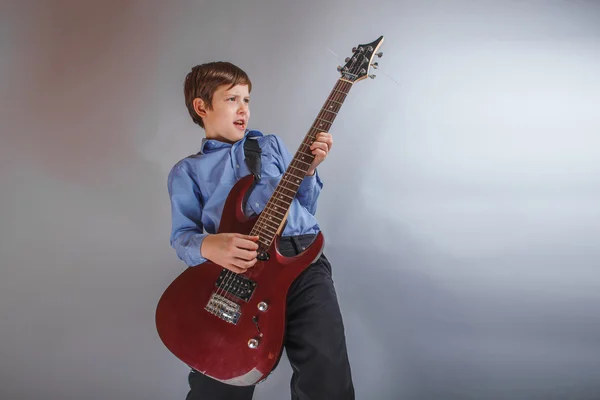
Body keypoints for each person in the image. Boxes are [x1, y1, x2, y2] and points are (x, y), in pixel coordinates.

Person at [167, 61, 354, 400]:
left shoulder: (270, 147)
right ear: (201, 106)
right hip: (238, 278)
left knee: (326, 373)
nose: (244, 109)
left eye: (248, 100)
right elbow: (182, 238)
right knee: (221, 375)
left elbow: (303, 210)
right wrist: (211, 246)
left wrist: (309, 171)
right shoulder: (188, 172)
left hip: (302, 266)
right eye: (232, 99)